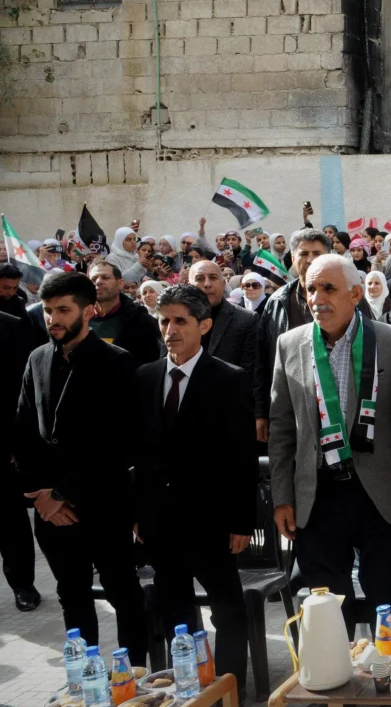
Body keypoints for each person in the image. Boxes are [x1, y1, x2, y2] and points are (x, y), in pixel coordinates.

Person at [269, 254, 391, 636]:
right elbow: (281, 429)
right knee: (328, 608)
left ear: (356, 294)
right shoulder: (289, 344)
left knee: (387, 601)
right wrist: (282, 498)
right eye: (310, 289)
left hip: (382, 495)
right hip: (317, 495)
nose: (317, 298)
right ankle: (339, 671)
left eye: (328, 288)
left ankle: (390, 672)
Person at [14, 272, 150, 657]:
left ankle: (134, 675)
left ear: (88, 311)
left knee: (123, 594)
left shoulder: (117, 362)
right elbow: (23, 432)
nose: (53, 319)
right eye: (47, 311)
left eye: (63, 310)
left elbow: (118, 444)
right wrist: (40, 496)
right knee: (71, 596)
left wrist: (61, 493)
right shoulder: (37, 358)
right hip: (50, 512)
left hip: (104, 504)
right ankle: (87, 676)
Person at [134, 285, 256, 697]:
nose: (171, 330)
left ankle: (230, 690)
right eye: (164, 320)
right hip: (161, 521)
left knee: (228, 610)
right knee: (176, 612)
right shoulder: (145, 377)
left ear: (204, 325)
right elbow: (140, 454)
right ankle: (189, 690)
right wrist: (139, 513)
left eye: (180, 321)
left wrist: (241, 522)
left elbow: (242, 457)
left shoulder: (229, 379)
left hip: (212, 521)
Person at [256, 229, 373, 443]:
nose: (310, 260)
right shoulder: (277, 302)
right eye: (303, 254)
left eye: (317, 254)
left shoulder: (350, 297)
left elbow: (370, 343)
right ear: (293, 258)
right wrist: (262, 412)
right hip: (294, 401)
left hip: (343, 398)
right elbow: (263, 360)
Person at [0, 310, 39, 612]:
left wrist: (17, 443)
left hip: (5, 444)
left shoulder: (11, 327)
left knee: (9, 520)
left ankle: (23, 584)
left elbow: (23, 392)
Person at [189, 260, 258, 377]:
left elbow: (250, 373)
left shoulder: (246, 319)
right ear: (189, 285)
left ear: (223, 283)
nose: (207, 284)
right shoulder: (175, 318)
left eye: (213, 277)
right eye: (200, 278)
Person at [87, 260, 163, 363]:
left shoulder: (140, 320)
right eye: (93, 279)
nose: (98, 282)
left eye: (105, 277)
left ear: (120, 284)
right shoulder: (78, 319)